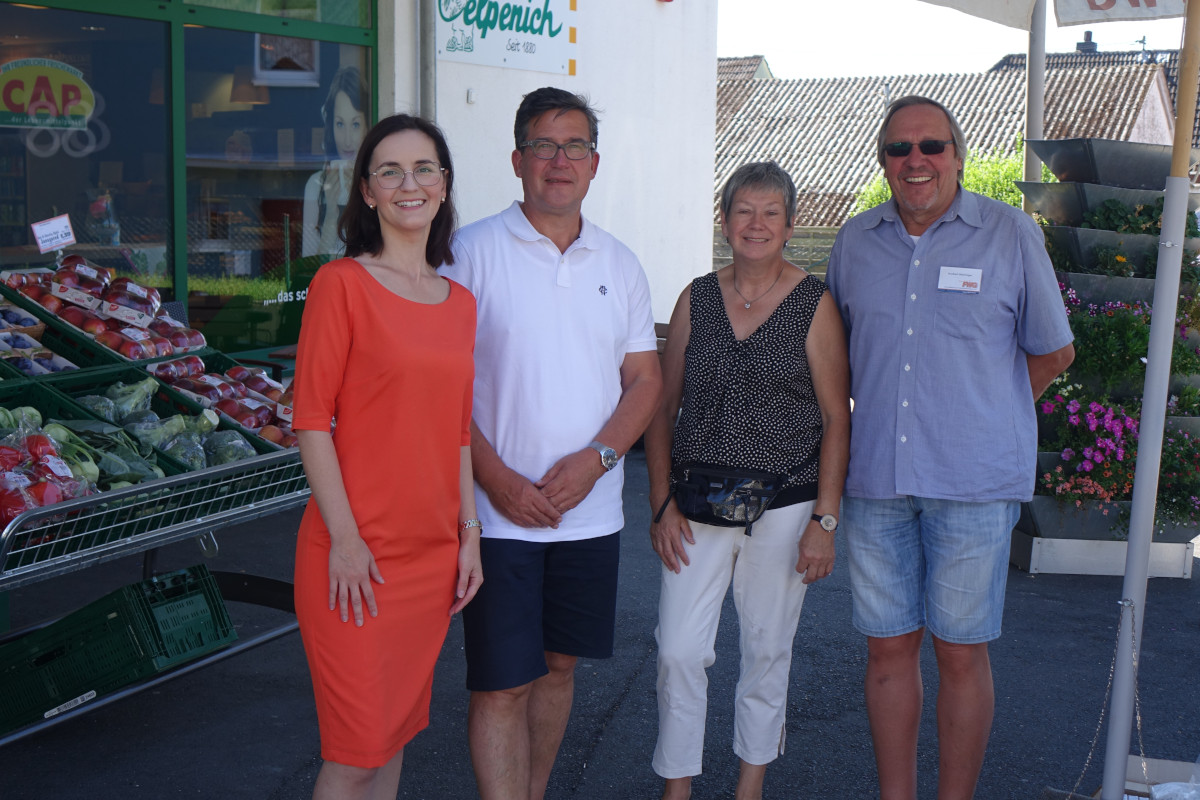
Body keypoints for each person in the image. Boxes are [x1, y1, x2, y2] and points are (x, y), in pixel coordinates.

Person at [825, 95, 1075, 800]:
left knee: (961, 653)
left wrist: (986, 415)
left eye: (931, 146)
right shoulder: (854, 242)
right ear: (883, 160)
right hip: (877, 479)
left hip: (973, 483)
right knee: (886, 650)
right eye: (900, 149)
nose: (916, 161)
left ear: (958, 155)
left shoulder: (1010, 234)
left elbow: (1054, 352)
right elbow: (836, 356)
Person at [440, 86, 663, 800]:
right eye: (543, 144)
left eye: (574, 147)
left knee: (560, 668)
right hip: (499, 517)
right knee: (503, 684)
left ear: (594, 164)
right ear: (516, 159)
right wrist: (497, 478)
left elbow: (645, 381)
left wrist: (599, 461)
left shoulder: (620, 263)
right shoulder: (468, 254)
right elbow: (437, 390)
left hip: (589, 517)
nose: (558, 161)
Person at [291, 113, 483, 800]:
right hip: (355, 559)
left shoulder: (458, 303)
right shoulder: (341, 285)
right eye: (390, 171)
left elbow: (456, 433)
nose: (410, 183)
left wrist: (469, 537)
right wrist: (344, 540)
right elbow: (311, 422)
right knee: (355, 753)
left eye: (424, 168)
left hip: (429, 558)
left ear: (444, 184)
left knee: (394, 737)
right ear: (367, 192)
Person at [646, 161, 850, 800]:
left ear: (791, 224)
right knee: (678, 650)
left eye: (770, 213)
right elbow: (661, 406)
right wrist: (660, 505)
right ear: (725, 220)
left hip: (786, 505)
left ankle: (748, 787)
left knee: (766, 651)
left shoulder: (815, 306)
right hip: (695, 502)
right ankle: (677, 789)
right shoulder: (695, 298)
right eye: (743, 211)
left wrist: (824, 520)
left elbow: (834, 419)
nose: (756, 224)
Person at [302, 66, 369, 258]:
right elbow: (309, 267)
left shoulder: (379, 184)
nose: (347, 140)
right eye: (340, 124)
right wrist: (331, 217)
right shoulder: (316, 186)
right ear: (331, 125)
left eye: (355, 124)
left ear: (366, 127)